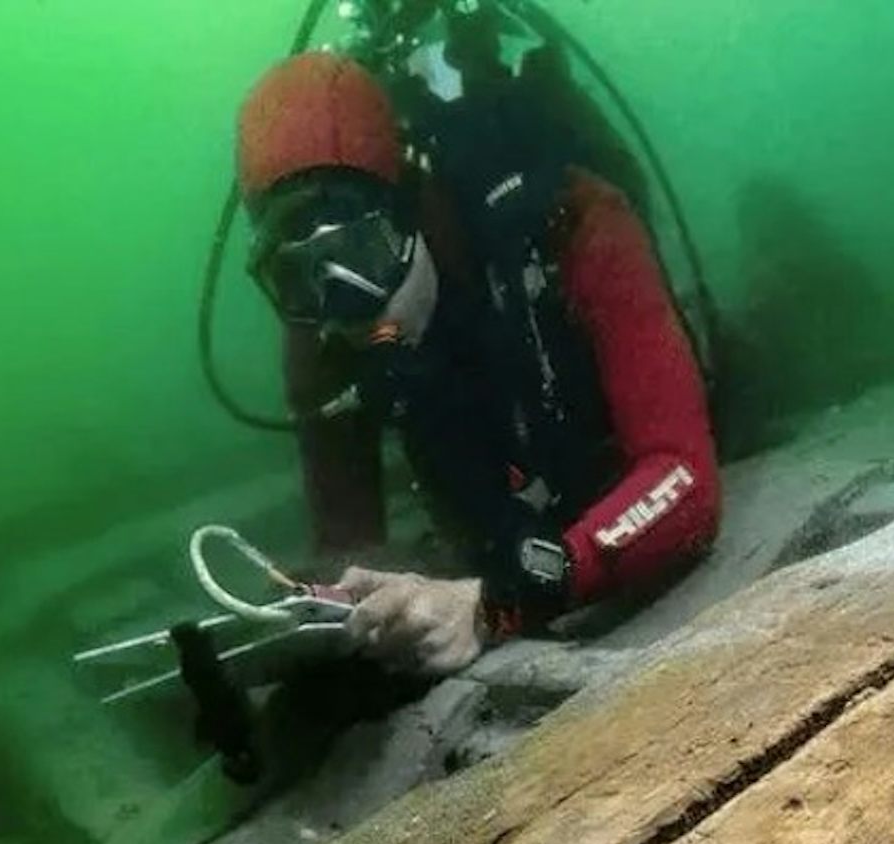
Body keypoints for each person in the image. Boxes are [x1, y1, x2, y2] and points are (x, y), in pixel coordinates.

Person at [234, 48, 720, 679]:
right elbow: (347, 544)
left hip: (606, 469)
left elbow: (684, 479)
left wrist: (500, 603)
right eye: (295, 272)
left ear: (409, 199)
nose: (342, 298)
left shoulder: (570, 218)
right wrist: (318, 609)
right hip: (508, 513)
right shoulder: (318, 334)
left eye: (362, 248)